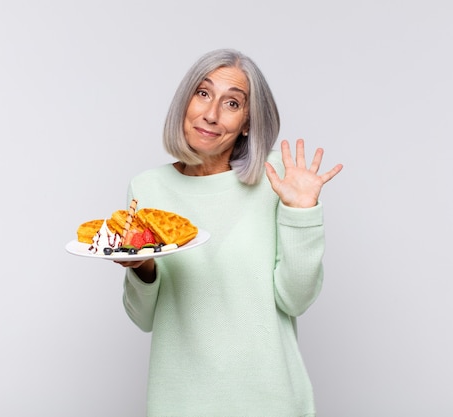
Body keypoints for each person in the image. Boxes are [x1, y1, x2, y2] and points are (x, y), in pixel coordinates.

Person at [115, 48, 342, 416]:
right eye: (203, 93)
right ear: (185, 102)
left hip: (271, 400)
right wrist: (142, 268)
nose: (211, 114)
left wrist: (302, 213)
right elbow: (143, 319)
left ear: (248, 122)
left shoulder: (276, 176)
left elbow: (296, 300)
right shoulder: (147, 188)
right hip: (181, 402)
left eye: (232, 103)